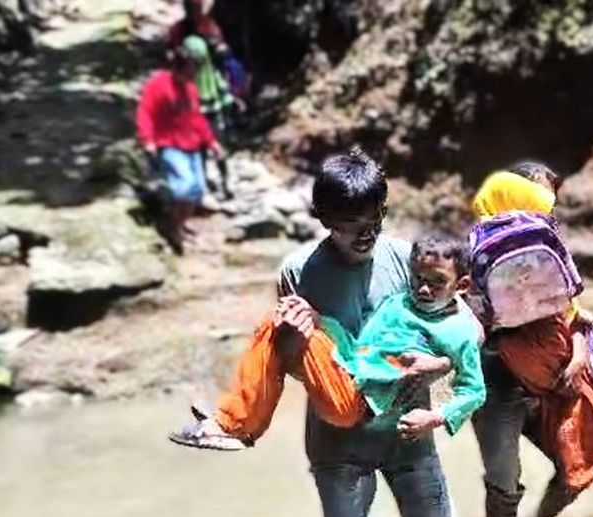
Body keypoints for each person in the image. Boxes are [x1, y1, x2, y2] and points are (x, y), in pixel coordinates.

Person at [186, 149, 463, 517]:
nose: (366, 235)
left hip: (407, 435)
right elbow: (294, 364)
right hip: (340, 446)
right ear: (325, 219)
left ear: (385, 211)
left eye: (375, 221)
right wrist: (296, 337)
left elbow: (460, 336)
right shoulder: (299, 272)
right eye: (352, 226)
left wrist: (437, 364)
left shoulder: (412, 261)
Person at [167, 233, 485, 453]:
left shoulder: (458, 330)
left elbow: (474, 390)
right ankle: (236, 421)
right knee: (284, 318)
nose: (425, 289)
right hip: (347, 376)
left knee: (274, 326)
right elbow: (358, 347)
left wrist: (436, 416)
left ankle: (235, 424)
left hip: (360, 405)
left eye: (437, 282)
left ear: (462, 284)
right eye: (419, 279)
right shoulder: (399, 305)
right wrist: (319, 319)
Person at [470, 164, 593, 517]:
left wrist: (579, 355)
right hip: (496, 380)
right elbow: (462, 323)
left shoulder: (544, 250)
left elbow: (576, 312)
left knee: (574, 467)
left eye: (549, 201)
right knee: (503, 478)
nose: (545, 208)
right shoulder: (476, 252)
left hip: (555, 374)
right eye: (537, 196)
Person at [135, 40, 225, 255]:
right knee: (184, 188)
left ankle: (179, 224)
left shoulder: (191, 90)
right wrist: (147, 139)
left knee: (196, 192)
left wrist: (211, 142)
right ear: (180, 66)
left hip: (192, 145)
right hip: (169, 144)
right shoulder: (158, 84)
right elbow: (145, 112)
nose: (193, 75)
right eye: (191, 70)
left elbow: (197, 119)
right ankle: (171, 228)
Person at [182, 35, 240, 199]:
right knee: (201, 151)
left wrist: (232, 102)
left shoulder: (211, 72)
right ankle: (204, 182)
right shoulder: (186, 77)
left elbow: (222, 90)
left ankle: (224, 182)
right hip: (196, 117)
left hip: (212, 114)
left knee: (218, 149)